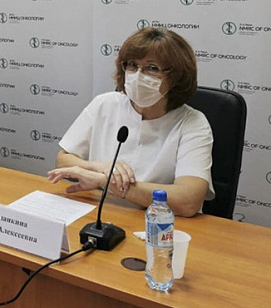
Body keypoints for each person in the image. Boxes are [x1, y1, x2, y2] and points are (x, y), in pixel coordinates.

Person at [47, 27, 214, 217]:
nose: (138, 75)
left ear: (177, 77)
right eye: (132, 65)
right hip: (103, 212)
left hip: (159, 224)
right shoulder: (105, 104)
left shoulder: (193, 123)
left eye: (152, 68)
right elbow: (63, 160)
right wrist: (100, 167)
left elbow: (188, 201)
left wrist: (107, 181)